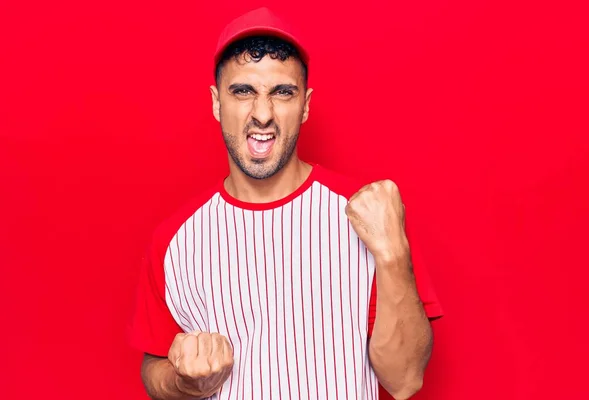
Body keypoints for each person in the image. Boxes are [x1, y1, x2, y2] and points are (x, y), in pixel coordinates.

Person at [128, 7, 443, 400]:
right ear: (215, 102)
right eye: (243, 91)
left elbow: (405, 379)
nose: (263, 114)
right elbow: (154, 367)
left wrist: (394, 254)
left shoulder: (366, 213)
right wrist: (184, 382)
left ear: (306, 104)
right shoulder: (175, 239)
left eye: (283, 92)